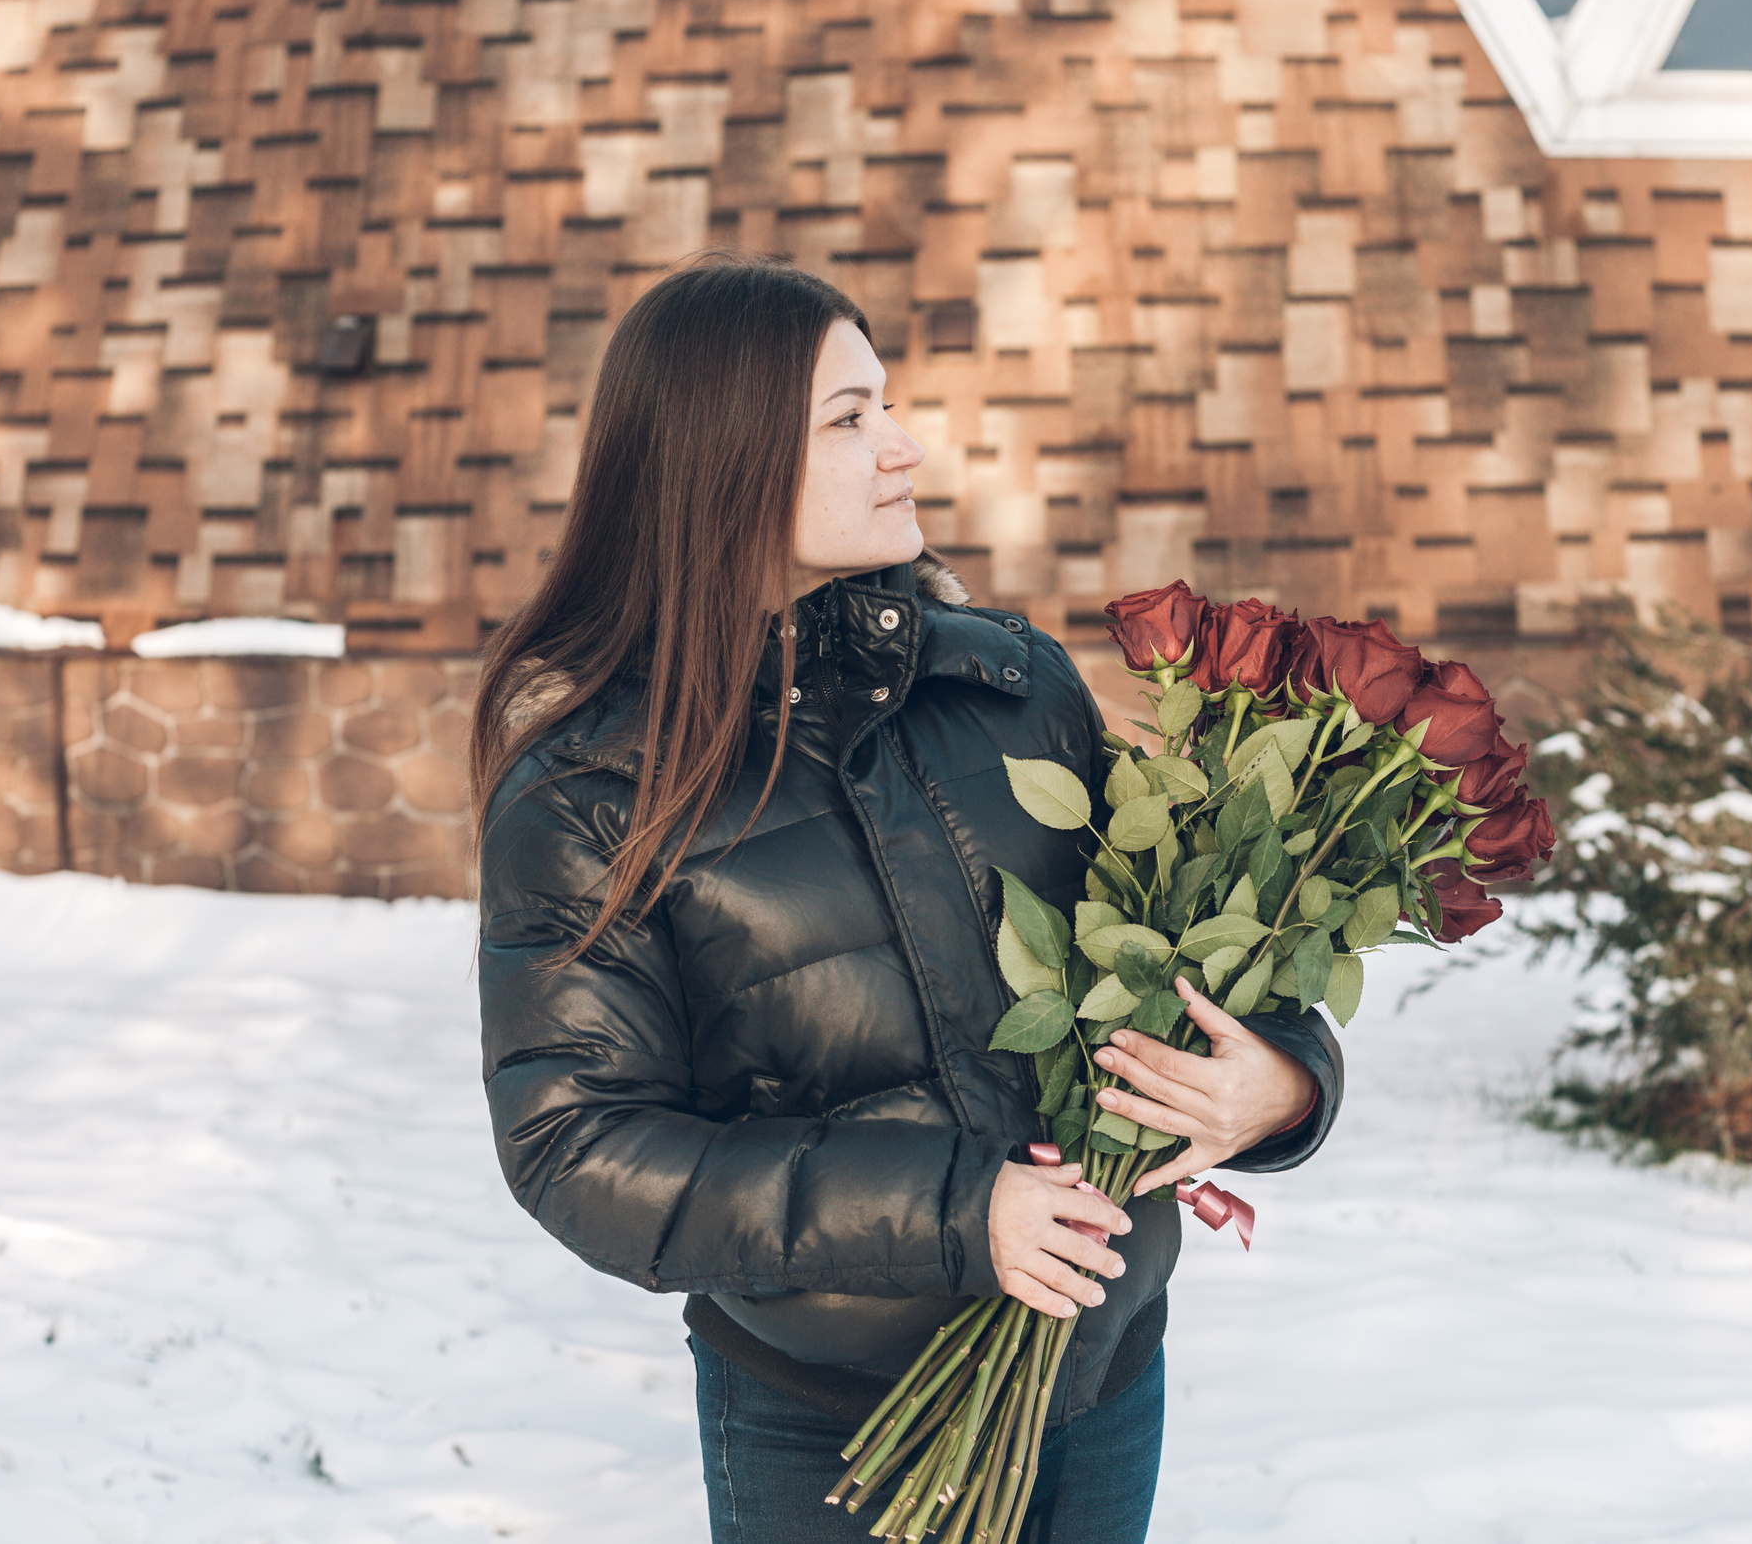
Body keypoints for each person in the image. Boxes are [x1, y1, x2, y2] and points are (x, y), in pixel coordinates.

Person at [469, 255, 1346, 1543]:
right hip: (833, 1427)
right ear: (724, 463)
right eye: (849, 418)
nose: (907, 446)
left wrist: (1277, 1083)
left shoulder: (1012, 690)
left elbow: (1170, 952)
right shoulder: (596, 790)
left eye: (888, 404)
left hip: (1102, 1376)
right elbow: (579, 1147)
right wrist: (956, 1215)